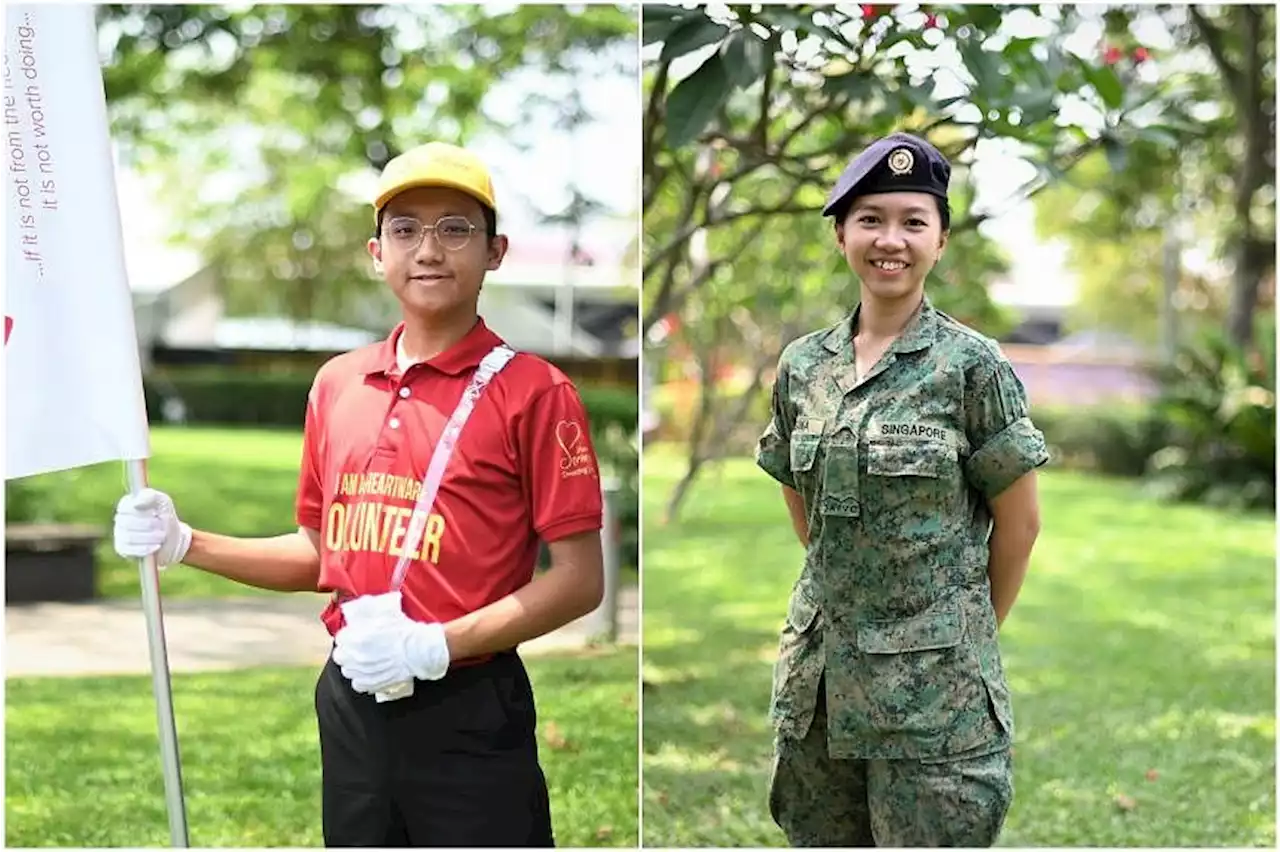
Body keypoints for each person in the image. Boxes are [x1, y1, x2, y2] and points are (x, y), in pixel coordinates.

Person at [113, 141, 607, 847]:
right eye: (405, 229)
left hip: (469, 706)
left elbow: (579, 581)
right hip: (351, 701)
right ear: (376, 253)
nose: (428, 249)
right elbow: (320, 551)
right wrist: (186, 543)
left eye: (454, 228)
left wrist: (436, 645)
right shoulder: (337, 384)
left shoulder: (536, 392)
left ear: (495, 251)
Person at [754, 131, 1049, 847]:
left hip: (935, 698)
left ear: (941, 240)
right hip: (820, 683)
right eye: (871, 220)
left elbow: (1020, 526)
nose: (892, 240)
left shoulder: (971, 367)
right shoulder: (803, 367)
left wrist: (962, 632)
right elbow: (805, 503)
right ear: (841, 236)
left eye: (913, 222)